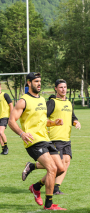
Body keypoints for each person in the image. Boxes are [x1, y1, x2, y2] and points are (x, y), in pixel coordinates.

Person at [8, 72, 67, 211]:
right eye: (36, 81)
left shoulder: (41, 99)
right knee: (52, 168)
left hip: (45, 139)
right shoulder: (23, 101)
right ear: (29, 83)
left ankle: (35, 187)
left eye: (40, 81)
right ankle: (48, 205)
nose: (39, 84)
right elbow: (11, 121)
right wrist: (21, 133)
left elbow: (42, 122)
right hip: (33, 141)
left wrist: (53, 123)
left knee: (60, 168)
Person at [22, 78, 81, 195]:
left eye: (65, 87)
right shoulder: (52, 102)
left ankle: (55, 187)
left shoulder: (69, 103)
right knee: (56, 165)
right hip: (54, 137)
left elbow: (72, 117)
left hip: (66, 137)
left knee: (66, 162)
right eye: (60, 87)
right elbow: (43, 117)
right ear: (56, 89)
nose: (63, 89)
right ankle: (45, 185)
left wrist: (76, 122)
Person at [0, 82, 13, 155]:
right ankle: (3, 149)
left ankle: (6, 147)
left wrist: (11, 115)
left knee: (1, 132)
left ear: (0, 87)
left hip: (4, 117)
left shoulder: (5, 95)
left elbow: (11, 104)